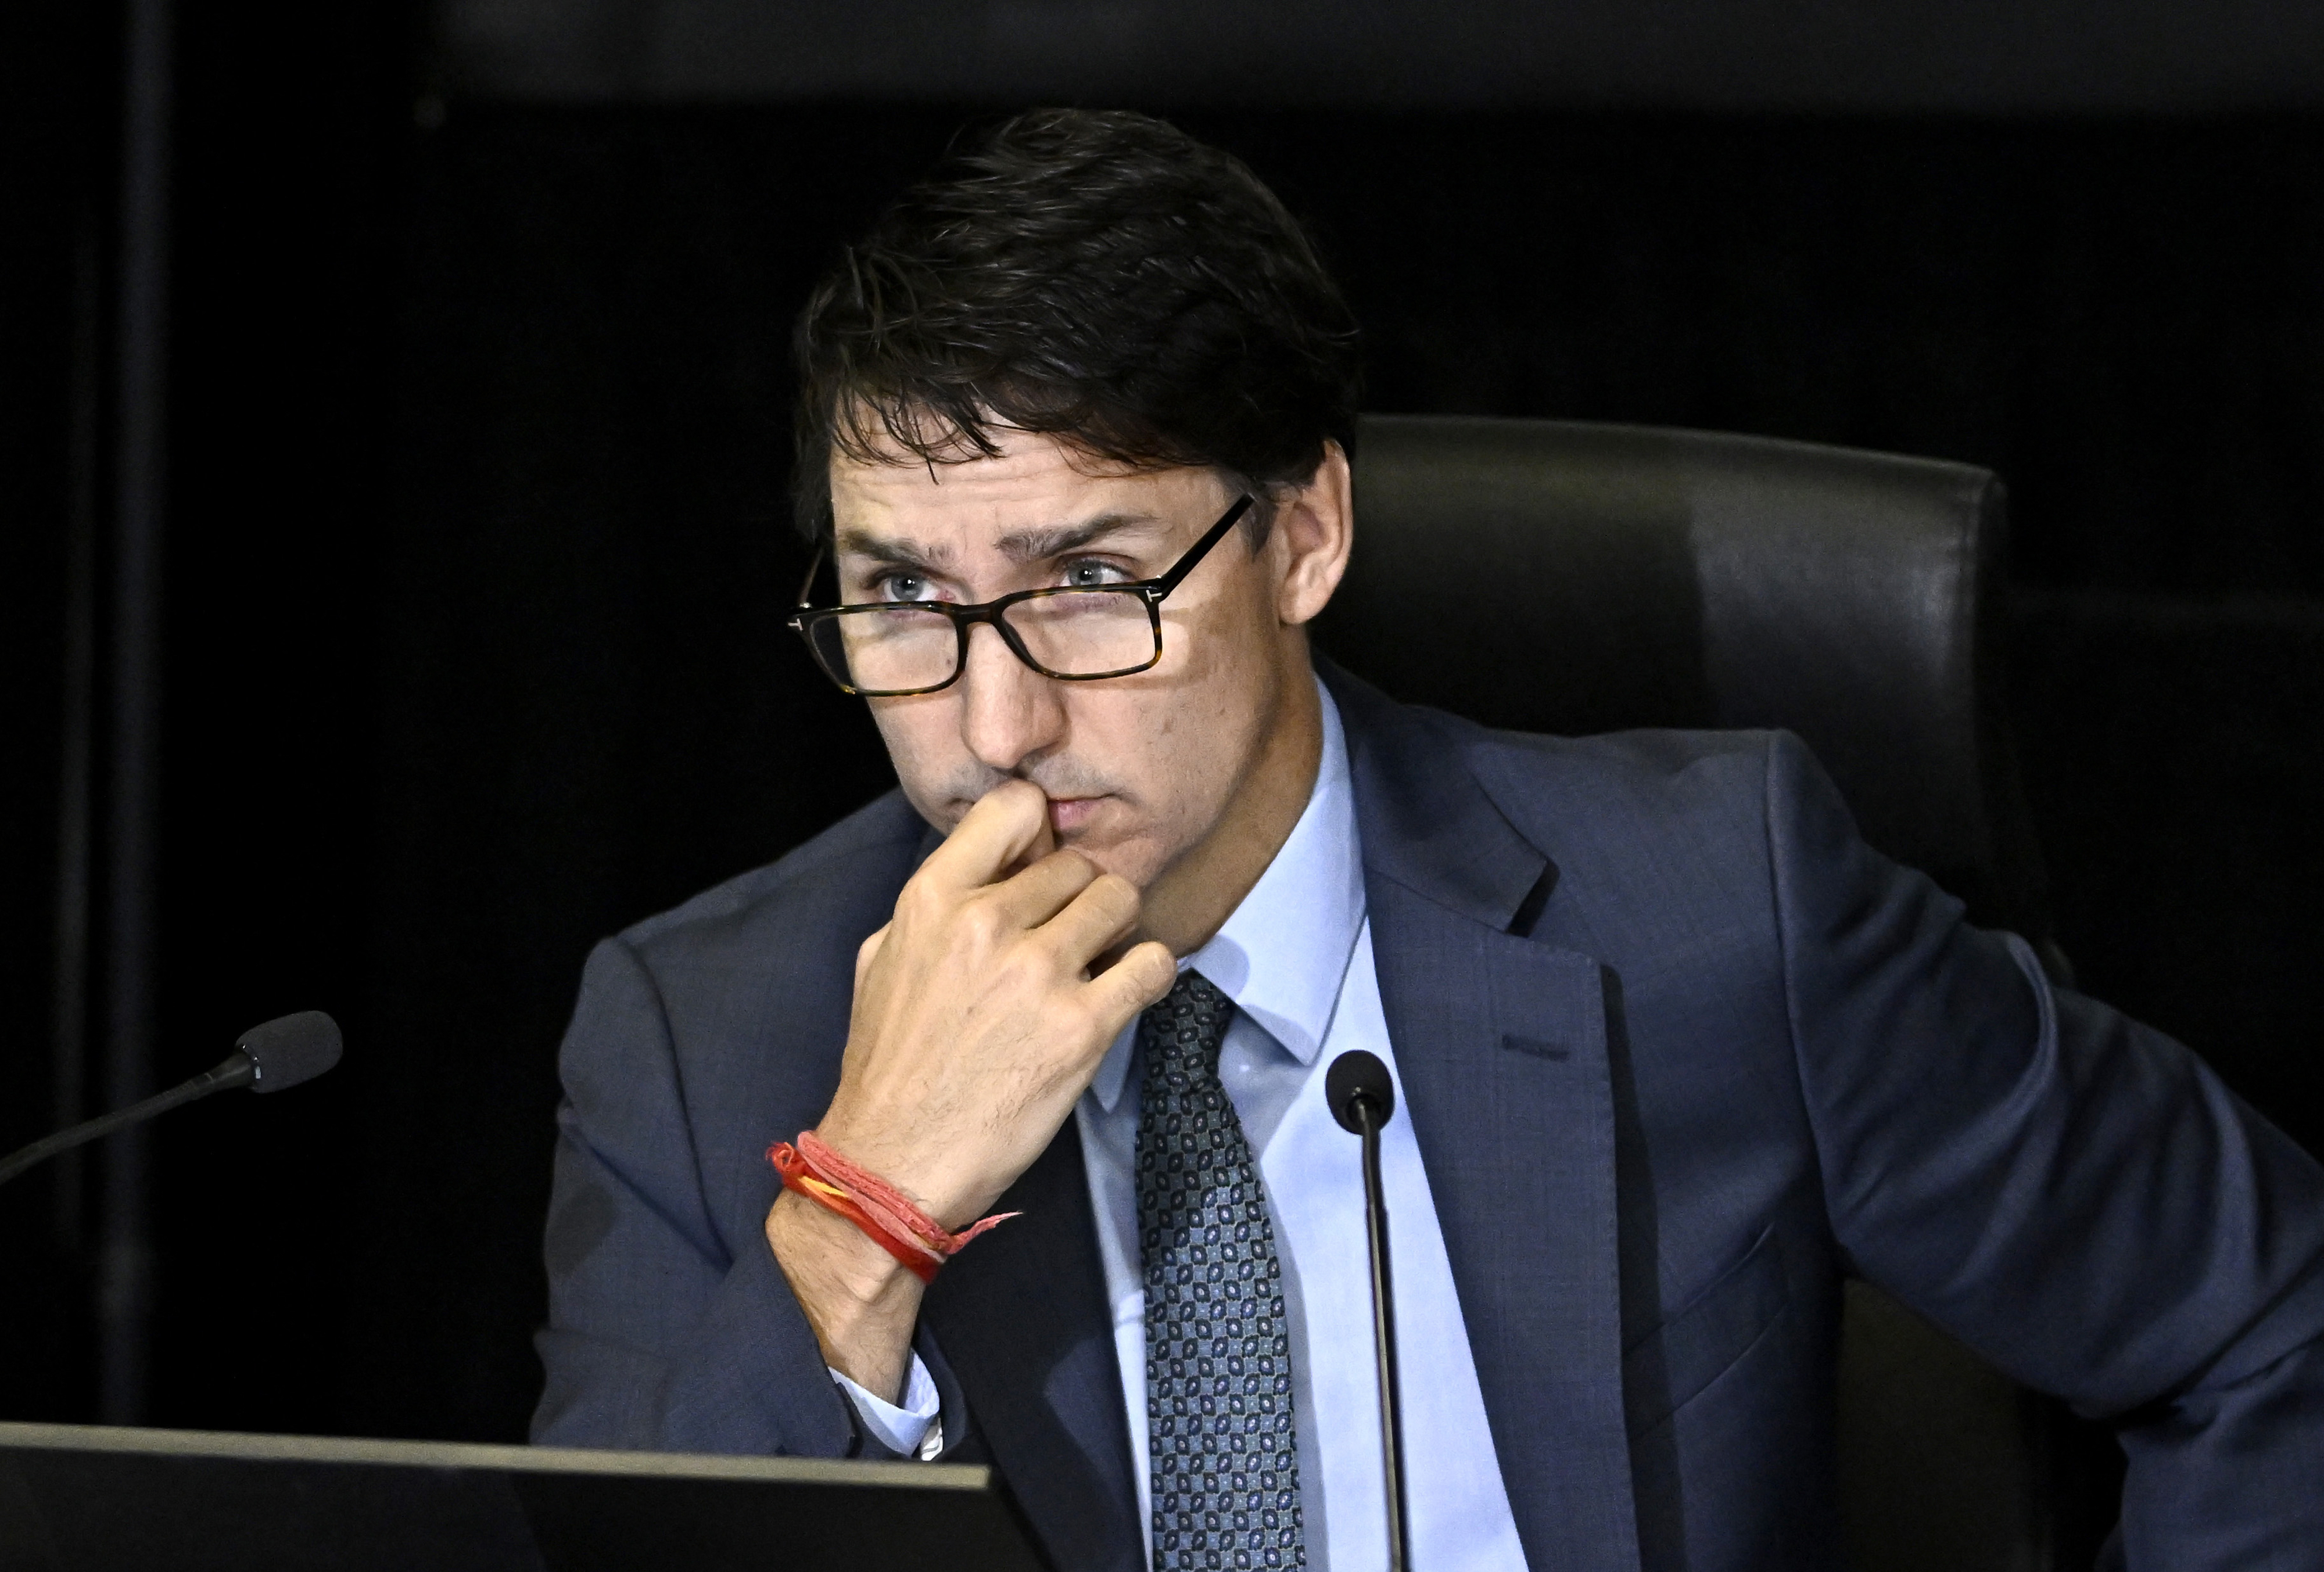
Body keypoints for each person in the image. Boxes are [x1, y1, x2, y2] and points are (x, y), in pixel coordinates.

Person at [529, 109, 2324, 1571]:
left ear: (1303, 535)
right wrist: (867, 1215)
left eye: (1088, 585)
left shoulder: (1714, 915)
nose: (994, 727)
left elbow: (2268, 1318)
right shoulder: (705, 1036)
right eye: (901, 601)